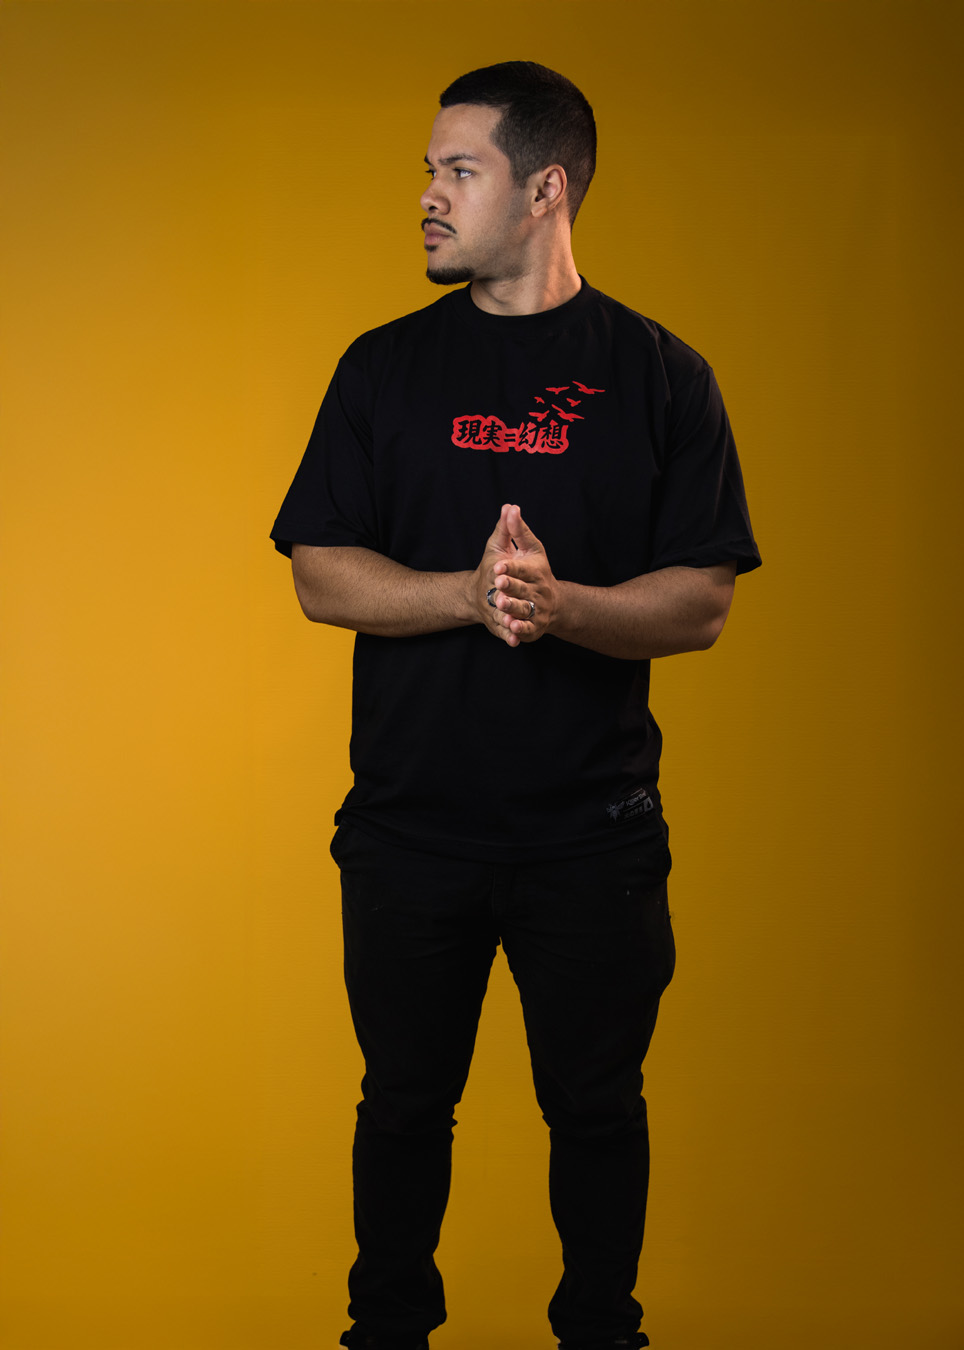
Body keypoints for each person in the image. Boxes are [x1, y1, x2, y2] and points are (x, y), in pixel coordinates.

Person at [271, 61, 760, 1350]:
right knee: (403, 1107)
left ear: (544, 190)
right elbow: (319, 573)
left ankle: (601, 1331)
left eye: (459, 171)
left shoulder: (662, 375)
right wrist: (467, 593)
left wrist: (561, 606)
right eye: (428, 171)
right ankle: (387, 1332)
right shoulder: (383, 368)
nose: (429, 196)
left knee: (596, 1111)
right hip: (409, 832)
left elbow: (703, 600)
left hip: (594, 838)